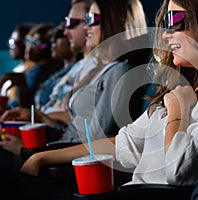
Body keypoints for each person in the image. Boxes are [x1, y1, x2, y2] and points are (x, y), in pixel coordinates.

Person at [0, 0, 198, 199]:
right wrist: (41, 158)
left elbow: (180, 172)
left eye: (175, 19)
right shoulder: (180, 90)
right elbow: (124, 144)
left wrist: (179, 111)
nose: (166, 32)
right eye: (164, 22)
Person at [0, 0, 148, 161]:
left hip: (64, 163)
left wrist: (28, 153)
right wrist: (42, 120)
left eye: (92, 19)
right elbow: (74, 133)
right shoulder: (106, 69)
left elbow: (95, 144)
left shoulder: (120, 72)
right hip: (57, 150)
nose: (86, 27)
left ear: (114, 21)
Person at [0, 23, 59, 108]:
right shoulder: (28, 69)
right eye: (28, 41)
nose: (29, 47)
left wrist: (21, 85)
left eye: (36, 44)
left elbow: (25, 106)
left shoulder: (41, 72)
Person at [3, 23, 36, 105]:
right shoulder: (20, 68)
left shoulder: (34, 72)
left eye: (17, 43)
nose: (12, 46)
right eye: (11, 41)